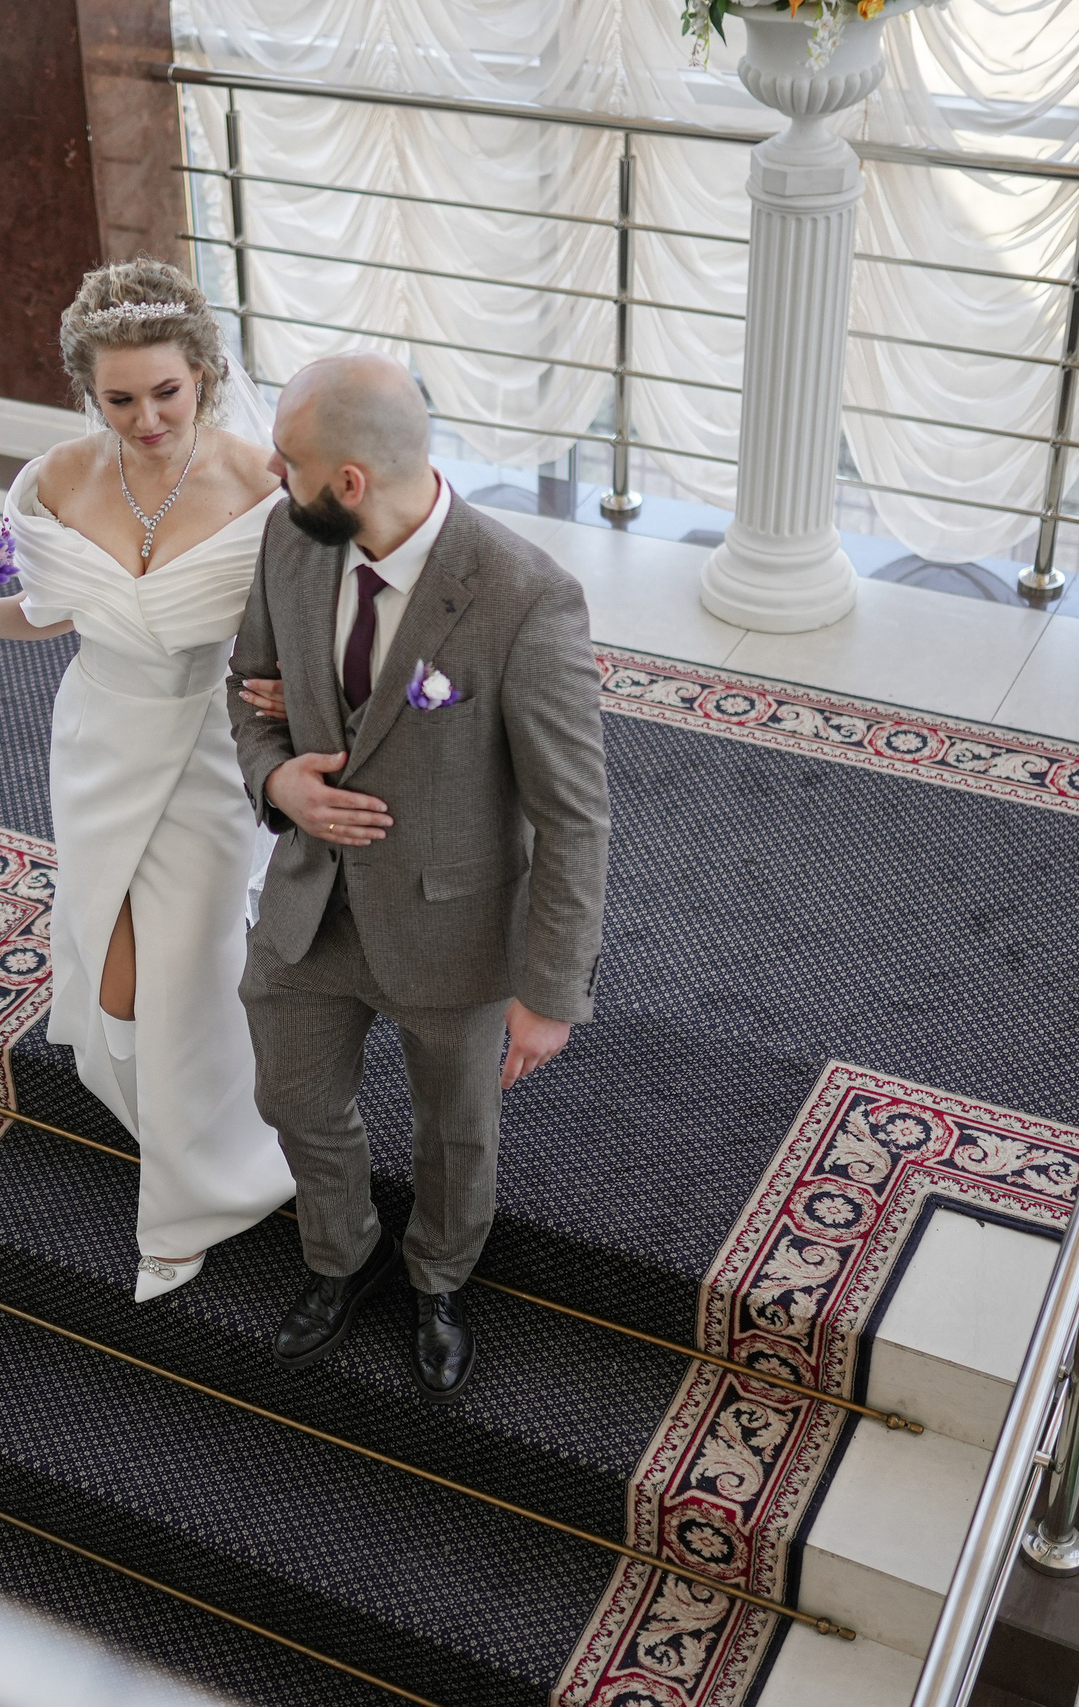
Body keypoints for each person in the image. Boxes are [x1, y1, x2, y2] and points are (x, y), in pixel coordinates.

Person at [0, 259, 294, 1301]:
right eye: (120, 399)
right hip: (101, 743)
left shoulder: (261, 485)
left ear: (204, 373)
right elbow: (44, 609)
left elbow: (306, 631)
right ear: (90, 393)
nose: (147, 417)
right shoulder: (61, 481)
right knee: (110, 971)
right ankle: (171, 1109)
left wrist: (295, 705)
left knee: (185, 970)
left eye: (166, 391)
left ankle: (189, 1200)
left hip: (210, 749)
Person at [227, 352, 610, 1398]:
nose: (270, 471)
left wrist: (547, 994)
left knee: (453, 1131)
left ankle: (437, 1279)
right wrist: (280, 786)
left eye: (288, 457)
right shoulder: (289, 542)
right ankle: (338, 1257)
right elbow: (245, 691)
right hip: (310, 908)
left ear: (349, 481)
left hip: (454, 933)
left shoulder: (526, 599)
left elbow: (573, 816)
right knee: (292, 1098)